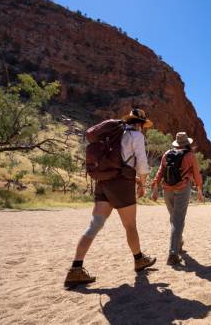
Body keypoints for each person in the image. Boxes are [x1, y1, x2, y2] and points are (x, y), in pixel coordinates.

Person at [64, 109, 156, 288]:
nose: (143, 129)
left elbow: (116, 162)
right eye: (143, 126)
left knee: (94, 225)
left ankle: (76, 268)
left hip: (103, 183)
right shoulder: (136, 135)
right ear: (140, 124)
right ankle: (138, 260)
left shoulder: (113, 133)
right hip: (122, 185)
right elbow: (142, 164)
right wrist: (142, 184)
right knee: (130, 226)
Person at [151, 132, 204, 266]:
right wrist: (199, 190)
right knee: (178, 220)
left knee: (175, 219)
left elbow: (160, 171)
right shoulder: (190, 155)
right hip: (182, 188)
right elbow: (197, 174)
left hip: (167, 189)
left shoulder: (167, 153)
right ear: (187, 143)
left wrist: (156, 187)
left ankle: (179, 242)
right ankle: (173, 254)